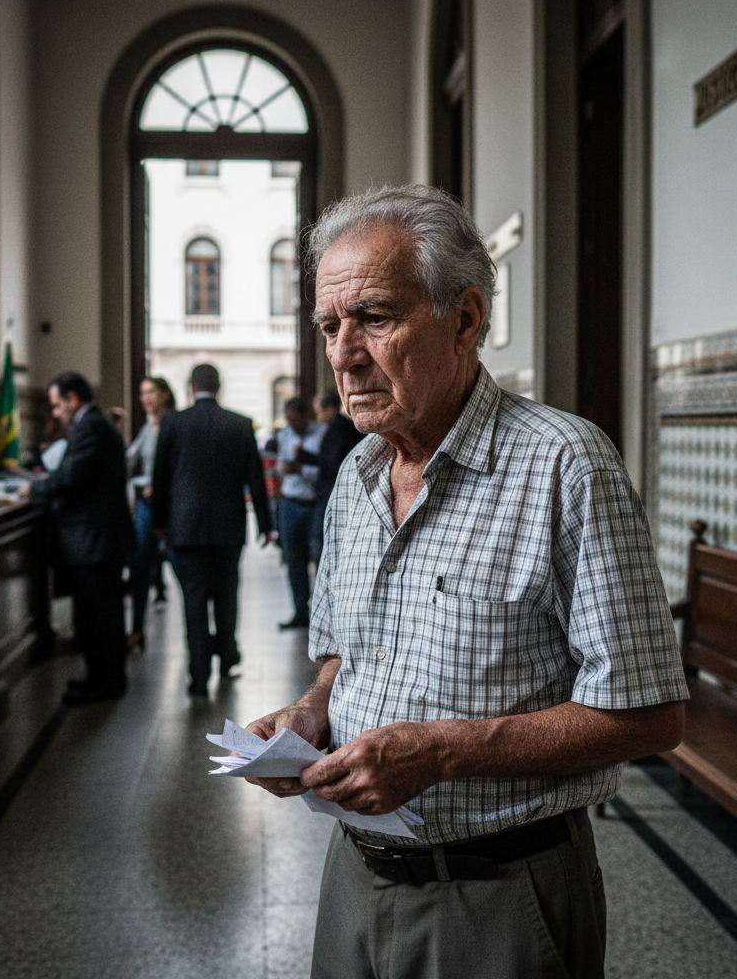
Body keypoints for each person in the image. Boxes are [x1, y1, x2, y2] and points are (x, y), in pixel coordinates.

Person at [245, 185, 689, 979]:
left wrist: (444, 753)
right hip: (353, 875)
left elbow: (651, 715)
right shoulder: (357, 472)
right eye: (329, 326)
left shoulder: (564, 464)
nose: (344, 353)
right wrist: (312, 713)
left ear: (468, 318)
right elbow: (347, 650)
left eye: (375, 317)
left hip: (500, 894)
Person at [152, 363, 275, 697]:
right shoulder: (239, 424)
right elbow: (255, 478)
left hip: (185, 526)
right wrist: (266, 524)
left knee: (193, 599)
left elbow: (160, 477)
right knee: (226, 593)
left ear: (191, 387)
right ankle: (226, 658)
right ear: (219, 387)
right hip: (228, 526)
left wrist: (159, 523)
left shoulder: (173, 422)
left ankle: (198, 674)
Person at [18, 371, 133, 705]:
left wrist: (33, 488)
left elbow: (70, 477)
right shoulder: (94, 424)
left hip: (94, 541)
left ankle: (105, 684)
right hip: (96, 540)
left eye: (56, 405)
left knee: (99, 618)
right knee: (96, 616)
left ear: (72, 399)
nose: (55, 413)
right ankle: (100, 678)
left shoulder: (91, 426)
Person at [126, 376, 175, 651]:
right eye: (143, 392)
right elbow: (131, 462)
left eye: (152, 392)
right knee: (140, 565)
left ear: (165, 395)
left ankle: (198, 640)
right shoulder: (147, 428)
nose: (147, 398)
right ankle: (135, 629)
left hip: (169, 504)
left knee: (181, 568)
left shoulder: (175, 423)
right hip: (146, 505)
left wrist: (158, 486)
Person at [275, 396, 325, 629]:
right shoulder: (285, 434)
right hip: (290, 503)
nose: (293, 425)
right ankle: (299, 611)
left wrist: (301, 469)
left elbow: (326, 470)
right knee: (293, 559)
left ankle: (322, 611)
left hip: (314, 502)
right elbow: (278, 465)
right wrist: (285, 469)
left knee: (319, 557)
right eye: (289, 421)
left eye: (296, 420)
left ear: (307, 416)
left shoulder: (322, 434)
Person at [302, 389, 362, 563]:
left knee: (322, 537)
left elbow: (331, 463)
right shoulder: (339, 428)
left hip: (332, 491)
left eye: (318, 411)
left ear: (328, 409)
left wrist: (306, 459)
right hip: (332, 490)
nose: (317, 416)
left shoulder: (339, 429)